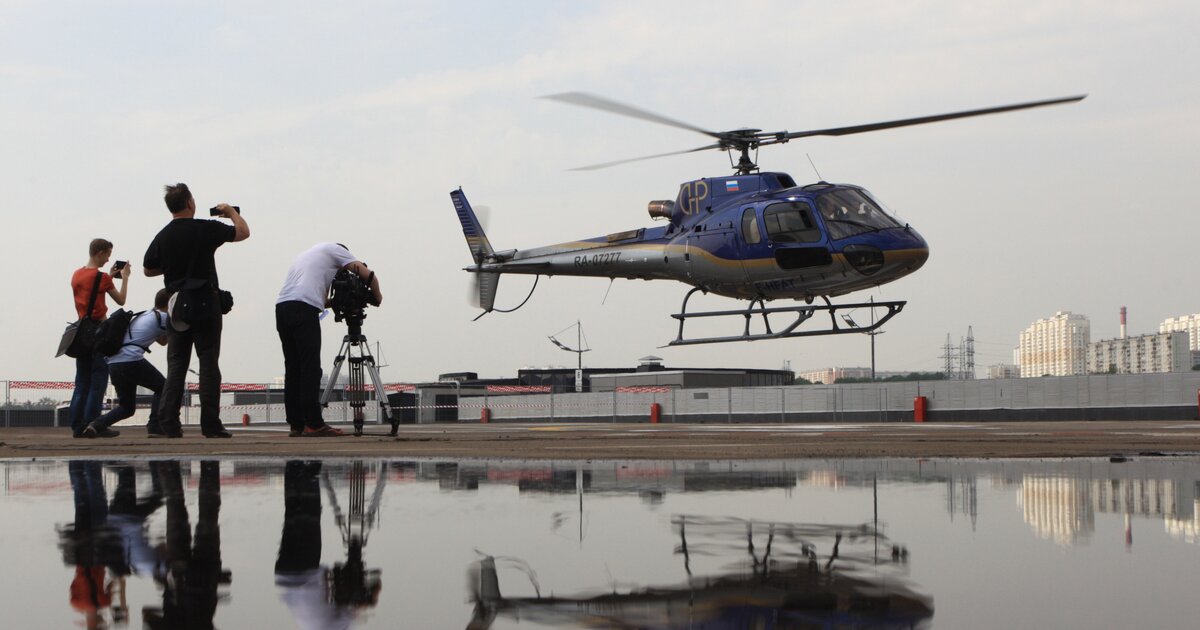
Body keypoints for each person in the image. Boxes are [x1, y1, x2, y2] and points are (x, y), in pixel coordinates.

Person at [143, 183, 249, 439]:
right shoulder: (205, 228)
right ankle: (210, 425)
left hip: (177, 305)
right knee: (208, 363)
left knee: (177, 365)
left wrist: (171, 269)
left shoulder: (163, 235)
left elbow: (148, 269)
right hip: (205, 303)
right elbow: (243, 232)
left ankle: (169, 422)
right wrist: (230, 213)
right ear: (190, 203)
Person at [276, 243, 382, 437]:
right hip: (303, 308)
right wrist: (377, 297)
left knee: (293, 368)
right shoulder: (337, 250)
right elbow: (367, 275)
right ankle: (314, 424)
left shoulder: (309, 255)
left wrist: (336, 301)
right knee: (310, 368)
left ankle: (296, 424)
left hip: (283, 307)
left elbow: (322, 301)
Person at [83, 289, 171, 438]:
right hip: (131, 361)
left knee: (127, 408)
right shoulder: (163, 317)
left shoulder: (146, 315)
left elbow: (162, 341)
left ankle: (96, 425)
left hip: (114, 363)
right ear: (170, 303)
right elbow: (179, 331)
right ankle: (155, 426)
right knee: (163, 387)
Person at [68, 238, 130, 438]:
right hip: (99, 330)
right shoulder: (102, 278)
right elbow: (121, 300)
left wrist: (109, 278)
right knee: (98, 381)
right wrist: (125, 277)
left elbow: (89, 293)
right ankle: (93, 424)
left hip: (81, 332)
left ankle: (77, 425)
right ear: (100, 252)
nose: (107, 260)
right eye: (107, 255)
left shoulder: (76, 275)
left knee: (82, 381)